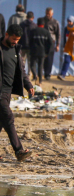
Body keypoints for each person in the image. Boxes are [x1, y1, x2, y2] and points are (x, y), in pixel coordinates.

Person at [0, 24, 34, 161]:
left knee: (1, 122)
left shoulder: (16, 50)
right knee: (8, 117)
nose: (15, 42)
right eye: (14, 39)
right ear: (7, 34)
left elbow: (21, 70)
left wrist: (28, 85)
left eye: (17, 40)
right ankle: (19, 151)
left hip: (7, 92)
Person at [28, 18, 54, 86]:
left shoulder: (33, 31)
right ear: (43, 24)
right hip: (42, 52)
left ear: (37, 23)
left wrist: (30, 49)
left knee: (32, 65)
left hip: (34, 51)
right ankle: (40, 80)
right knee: (40, 66)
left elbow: (29, 41)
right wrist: (47, 52)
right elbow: (50, 43)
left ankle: (35, 75)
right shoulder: (46, 32)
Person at [43, 7, 61, 81]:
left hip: (51, 42)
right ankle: (44, 72)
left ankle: (48, 74)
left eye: (49, 14)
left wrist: (57, 45)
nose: (47, 15)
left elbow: (58, 34)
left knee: (50, 59)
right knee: (43, 58)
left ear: (52, 14)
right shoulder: (42, 20)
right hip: (43, 42)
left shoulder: (55, 22)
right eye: (47, 13)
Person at [19, 11, 33, 77]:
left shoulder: (21, 24)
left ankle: (22, 74)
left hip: (22, 45)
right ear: (33, 18)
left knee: (22, 61)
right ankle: (29, 74)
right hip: (31, 46)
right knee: (30, 61)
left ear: (26, 17)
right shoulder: (34, 25)